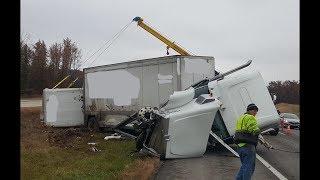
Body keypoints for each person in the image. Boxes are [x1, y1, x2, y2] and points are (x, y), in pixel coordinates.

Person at [234, 103, 260, 180]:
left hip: (240, 146)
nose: (255, 113)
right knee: (249, 167)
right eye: (255, 110)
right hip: (248, 146)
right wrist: (258, 131)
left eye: (256, 111)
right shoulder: (250, 118)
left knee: (244, 166)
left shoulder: (240, 118)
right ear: (250, 110)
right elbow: (253, 129)